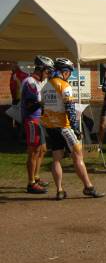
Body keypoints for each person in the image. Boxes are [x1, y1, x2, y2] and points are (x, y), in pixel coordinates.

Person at [41, 58, 104, 200]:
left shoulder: (46, 86)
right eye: (69, 72)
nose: (70, 74)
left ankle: (59, 190)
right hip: (64, 126)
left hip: (50, 127)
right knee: (78, 156)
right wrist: (76, 128)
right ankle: (88, 187)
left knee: (56, 158)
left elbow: (43, 106)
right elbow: (70, 108)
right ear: (64, 72)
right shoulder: (64, 85)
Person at [21, 56, 54, 194]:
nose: (48, 75)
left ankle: (36, 176)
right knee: (33, 151)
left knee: (43, 149)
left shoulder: (40, 81)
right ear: (40, 70)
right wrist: (44, 102)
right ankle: (31, 183)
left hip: (39, 119)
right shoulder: (30, 83)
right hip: (31, 120)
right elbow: (30, 106)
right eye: (47, 71)